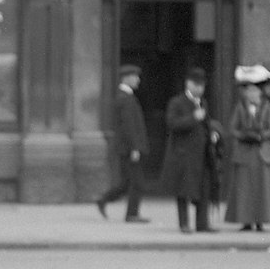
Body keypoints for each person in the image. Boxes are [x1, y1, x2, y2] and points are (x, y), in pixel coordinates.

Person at [160, 66, 222, 234]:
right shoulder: (177, 102)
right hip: (183, 154)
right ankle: (184, 224)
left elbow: (206, 124)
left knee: (203, 188)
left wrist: (213, 134)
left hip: (201, 154)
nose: (199, 89)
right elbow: (172, 124)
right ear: (188, 84)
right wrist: (193, 118)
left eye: (202, 86)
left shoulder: (203, 103)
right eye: (196, 85)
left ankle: (202, 223)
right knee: (183, 190)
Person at [225, 68, 270, 231]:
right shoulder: (240, 108)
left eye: (254, 91)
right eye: (249, 91)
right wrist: (243, 135)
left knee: (262, 188)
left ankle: (260, 221)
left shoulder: (267, 107)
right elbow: (233, 128)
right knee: (244, 189)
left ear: (259, 93)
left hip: (262, 153)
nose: (251, 94)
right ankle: (245, 221)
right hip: (244, 153)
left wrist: (260, 136)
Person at [95, 64, 150, 222]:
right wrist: (135, 148)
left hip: (127, 147)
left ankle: (103, 200)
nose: (138, 80)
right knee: (137, 183)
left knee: (127, 182)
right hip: (128, 148)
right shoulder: (124, 99)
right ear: (127, 78)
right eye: (135, 77)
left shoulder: (126, 97)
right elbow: (128, 126)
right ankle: (131, 214)